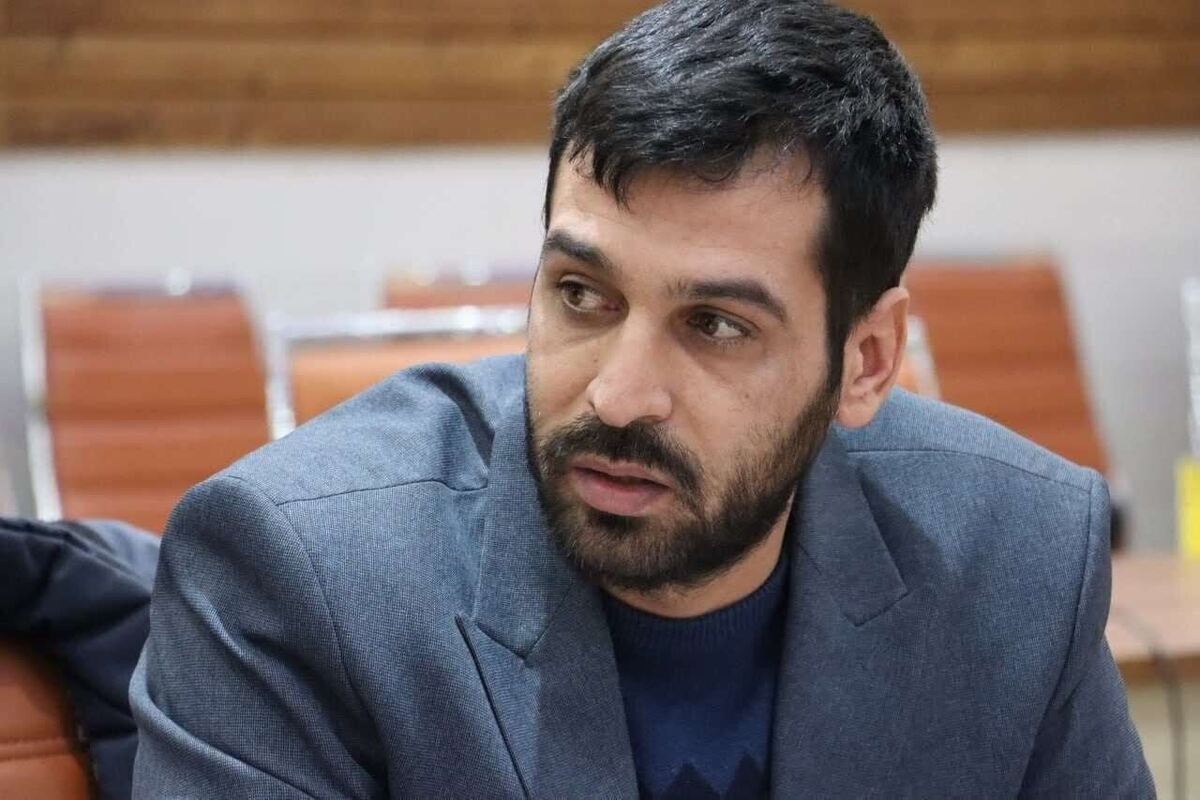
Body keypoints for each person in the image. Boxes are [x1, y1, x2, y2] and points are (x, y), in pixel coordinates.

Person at [130, 0, 1153, 797]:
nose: (617, 395)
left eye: (715, 325)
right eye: (582, 295)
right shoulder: (298, 577)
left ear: (867, 361)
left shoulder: (1015, 559)